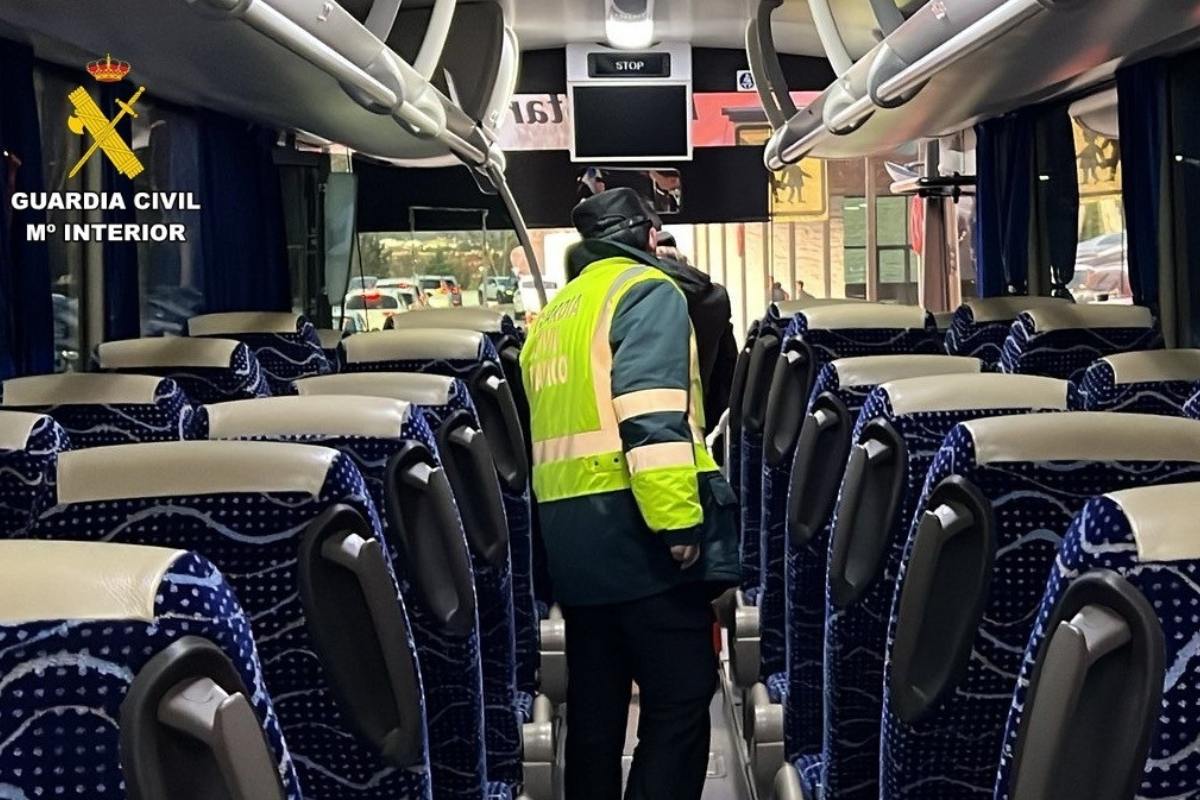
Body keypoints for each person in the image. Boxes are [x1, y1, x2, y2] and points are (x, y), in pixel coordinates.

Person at [521, 188, 739, 800]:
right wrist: (678, 526)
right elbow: (651, 418)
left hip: (571, 541)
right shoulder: (647, 293)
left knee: (595, 709)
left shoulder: (556, 314)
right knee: (681, 697)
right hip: (635, 529)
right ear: (648, 235)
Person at [654, 231, 738, 434]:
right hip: (699, 425)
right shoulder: (714, 301)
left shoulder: (635, 299)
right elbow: (727, 370)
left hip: (645, 426)